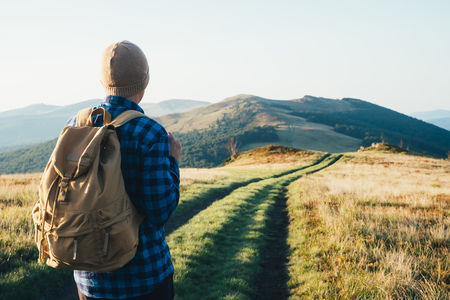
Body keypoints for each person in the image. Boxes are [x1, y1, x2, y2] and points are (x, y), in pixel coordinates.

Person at [67, 40, 181, 300]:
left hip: (88, 277)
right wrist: (173, 161)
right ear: (144, 82)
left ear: (103, 82)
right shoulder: (150, 132)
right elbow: (160, 210)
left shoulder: (76, 124)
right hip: (144, 276)